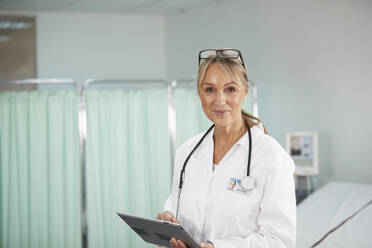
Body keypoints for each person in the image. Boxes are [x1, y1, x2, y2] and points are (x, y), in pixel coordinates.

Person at [156, 49, 296, 248]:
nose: (220, 100)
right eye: (210, 89)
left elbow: (280, 241)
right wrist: (167, 225)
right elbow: (175, 211)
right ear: (200, 93)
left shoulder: (271, 157)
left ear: (245, 92)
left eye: (230, 89)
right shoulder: (187, 153)